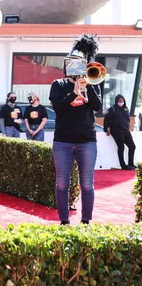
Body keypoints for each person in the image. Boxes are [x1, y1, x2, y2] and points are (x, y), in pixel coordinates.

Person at [49, 33, 102, 225]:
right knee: (62, 183)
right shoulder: (58, 84)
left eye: (81, 62)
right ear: (67, 64)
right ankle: (64, 221)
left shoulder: (92, 83)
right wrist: (74, 93)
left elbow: (97, 106)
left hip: (86, 140)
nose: (76, 66)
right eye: (73, 61)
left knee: (87, 183)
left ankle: (86, 221)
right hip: (63, 140)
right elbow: (59, 109)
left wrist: (88, 86)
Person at [104, 94, 136, 170]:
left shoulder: (126, 109)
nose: (121, 102)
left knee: (132, 146)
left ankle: (131, 164)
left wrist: (128, 127)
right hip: (116, 131)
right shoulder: (112, 109)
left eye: (122, 101)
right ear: (116, 101)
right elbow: (107, 119)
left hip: (126, 130)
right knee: (121, 147)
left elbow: (127, 119)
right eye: (119, 101)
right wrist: (106, 129)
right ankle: (123, 165)